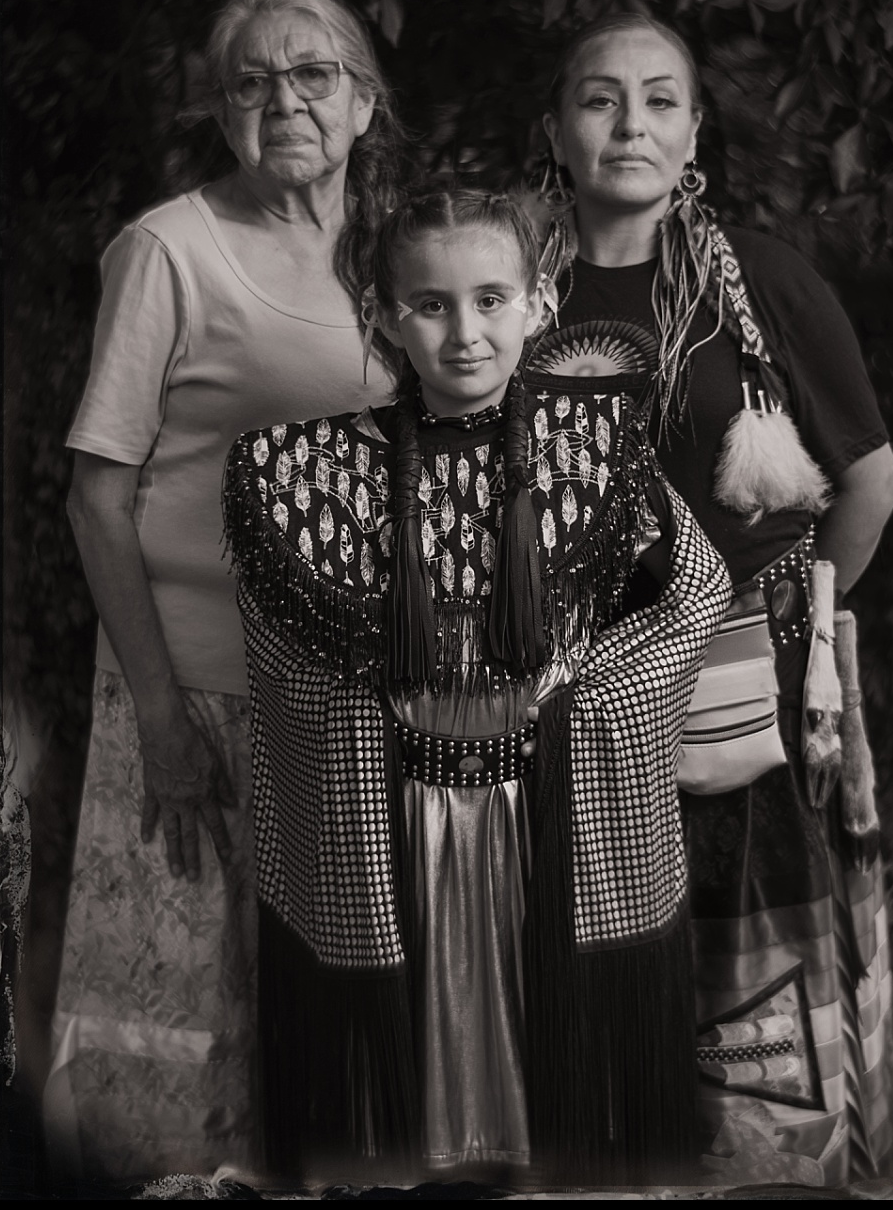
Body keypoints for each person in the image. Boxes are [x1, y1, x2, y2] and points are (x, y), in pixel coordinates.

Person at [222, 187, 731, 1189]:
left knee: (564, 1129)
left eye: (492, 299)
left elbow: (700, 586)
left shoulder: (598, 448)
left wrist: (579, 694)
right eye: (432, 305)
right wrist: (374, 717)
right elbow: (275, 644)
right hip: (394, 822)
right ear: (382, 315)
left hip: (554, 816)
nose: (466, 333)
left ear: (539, 302)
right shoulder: (303, 469)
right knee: (398, 1136)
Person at [527, 14, 893, 1186]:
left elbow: (872, 486)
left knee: (758, 1051)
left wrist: (765, 631)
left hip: (752, 733)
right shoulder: (505, 291)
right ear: (556, 130)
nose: (629, 124)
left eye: (657, 100)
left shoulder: (766, 285)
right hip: (569, 722)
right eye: (600, 99)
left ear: (696, 131)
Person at [43, 0, 399, 1184]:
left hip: (355, 705)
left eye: (312, 76)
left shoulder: (399, 258)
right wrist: (157, 714)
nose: (283, 100)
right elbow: (97, 493)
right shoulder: (167, 250)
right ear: (221, 112)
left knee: (329, 1028)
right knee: (182, 1018)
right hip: (195, 688)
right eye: (250, 82)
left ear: (364, 101)